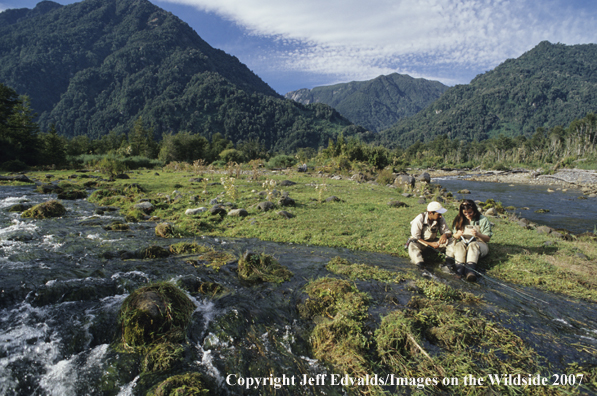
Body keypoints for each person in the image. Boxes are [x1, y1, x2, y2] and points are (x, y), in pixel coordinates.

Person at [448, 199, 493, 281]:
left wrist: (478, 234)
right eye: (465, 213)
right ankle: (459, 271)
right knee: (458, 246)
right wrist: (457, 234)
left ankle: (470, 271)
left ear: (474, 211)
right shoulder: (459, 219)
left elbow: (488, 238)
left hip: (479, 243)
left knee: (473, 245)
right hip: (463, 242)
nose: (468, 215)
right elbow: (454, 235)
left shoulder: (483, 219)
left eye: (470, 212)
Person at [408, 201, 452, 269]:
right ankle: (420, 264)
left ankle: (449, 262)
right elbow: (416, 237)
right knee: (412, 245)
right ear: (431, 213)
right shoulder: (419, 219)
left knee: (451, 241)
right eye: (438, 214)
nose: (440, 216)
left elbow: (447, 232)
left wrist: (445, 235)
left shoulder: (440, 219)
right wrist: (430, 244)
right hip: (420, 243)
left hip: (434, 242)